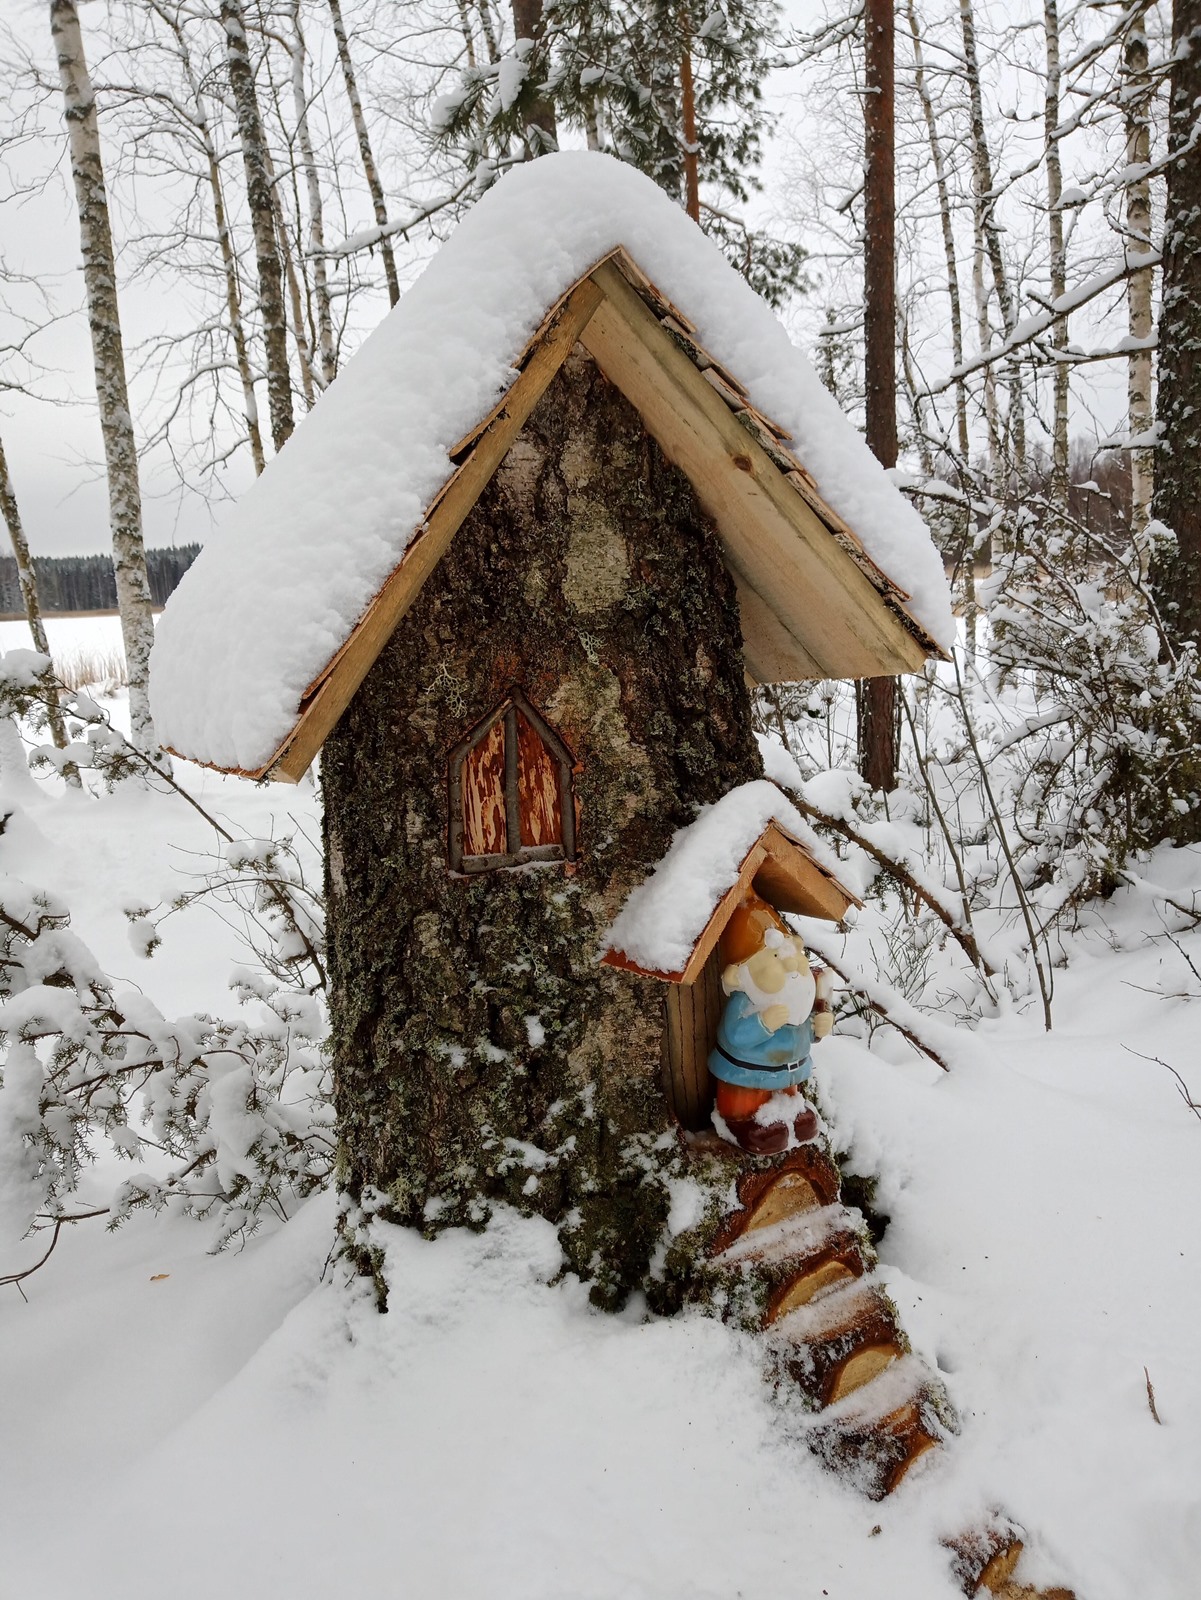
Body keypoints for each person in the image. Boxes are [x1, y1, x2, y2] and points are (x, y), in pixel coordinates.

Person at [708, 891, 832, 1155]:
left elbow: (801, 1026)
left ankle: (791, 1112)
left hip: (789, 1073)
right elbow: (735, 1035)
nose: (792, 965)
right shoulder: (745, 1000)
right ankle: (740, 1121)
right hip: (748, 1075)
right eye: (776, 958)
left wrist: (815, 1028)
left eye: (792, 955)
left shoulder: (799, 996)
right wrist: (762, 1024)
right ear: (740, 975)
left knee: (792, 1098)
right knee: (746, 1101)